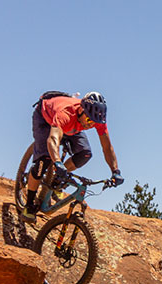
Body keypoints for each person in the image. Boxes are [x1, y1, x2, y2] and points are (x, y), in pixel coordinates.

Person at [23, 91, 121, 221]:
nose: (90, 124)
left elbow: (107, 147)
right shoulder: (66, 113)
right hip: (46, 118)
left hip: (72, 125)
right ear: (81, 110)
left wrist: (115, 171)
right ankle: (29, 205)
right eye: (88, 120)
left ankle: (57, 179)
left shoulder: (96, 118)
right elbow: (53, 138)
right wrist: (57, 162)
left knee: (85, 154)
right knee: (43, 161)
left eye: (93, 122)